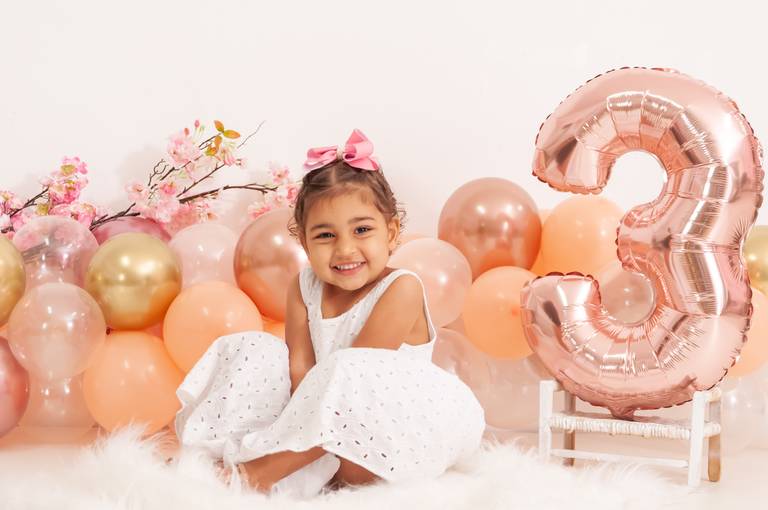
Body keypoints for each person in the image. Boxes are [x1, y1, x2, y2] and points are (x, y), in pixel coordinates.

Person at [174, 129, 484, 497]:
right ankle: (236, 451)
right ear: (304, 242)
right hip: (321, 428)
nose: (345, 249)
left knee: (346, 367)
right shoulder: (304, 285)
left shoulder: (401, 288)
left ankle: (261, 471)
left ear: (391, 233)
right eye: (325, 235)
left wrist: (293, 439)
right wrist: (286, 429)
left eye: (362, 230)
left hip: (392, 430)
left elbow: (358, 380)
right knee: (255, 348)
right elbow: (300, 371)